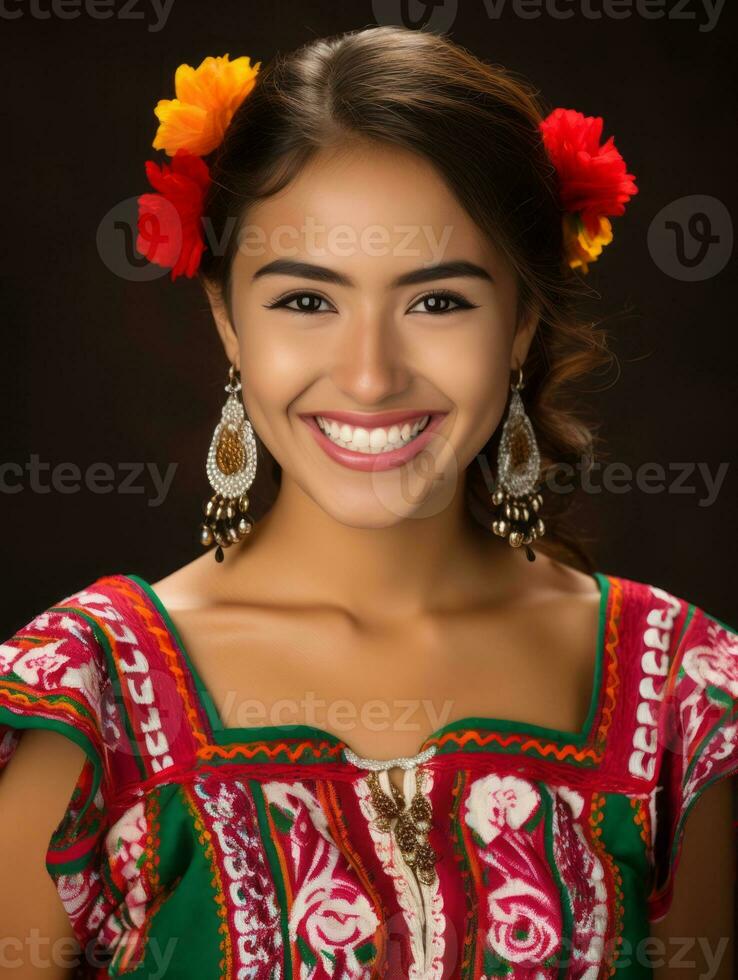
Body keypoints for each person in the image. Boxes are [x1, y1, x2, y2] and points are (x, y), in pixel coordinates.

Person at [1, 24, 735, 980]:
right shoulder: (81, 697)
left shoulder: (686, 696)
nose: (370, 375)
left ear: (521, 323)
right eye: (307, 301)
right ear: (228, 320)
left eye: (438, 302)